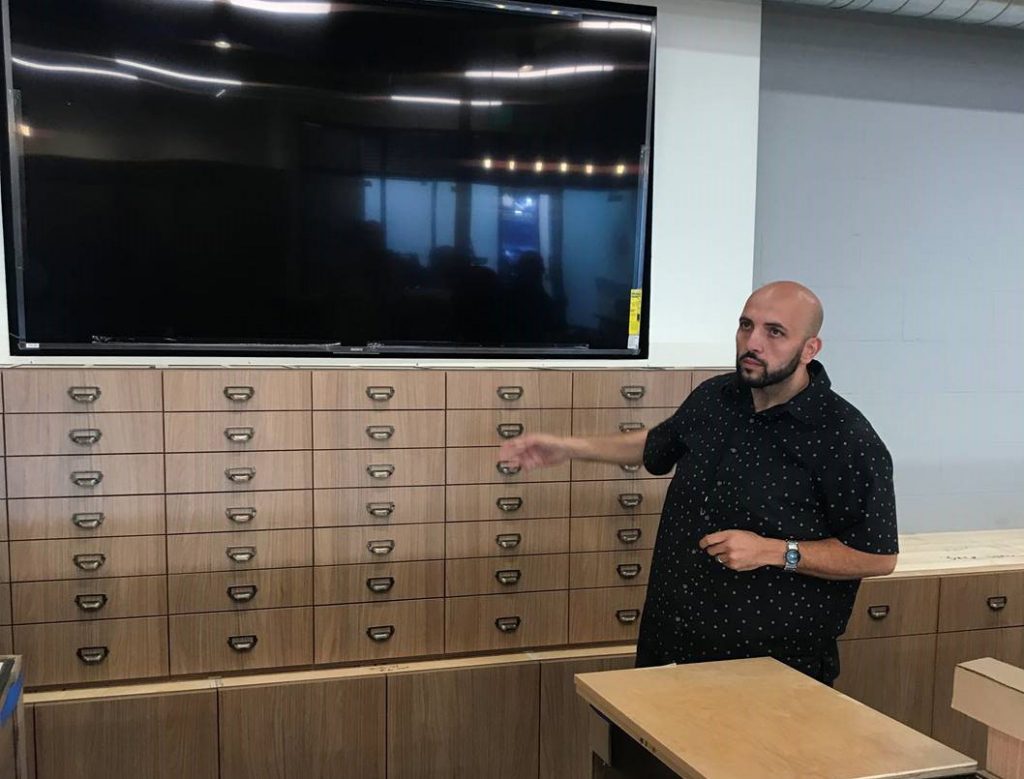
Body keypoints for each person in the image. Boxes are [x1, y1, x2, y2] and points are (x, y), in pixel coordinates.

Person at [499, 281, 898, 685]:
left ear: (810, 349)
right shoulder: (717, 397)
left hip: (769, 670)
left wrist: (776, 551)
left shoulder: (844, 438)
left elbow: (877, 556)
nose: (752, 342)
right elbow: (658, 443)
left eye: (774, 332)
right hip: (671, 643)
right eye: (746, 325)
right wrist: (569, 448)